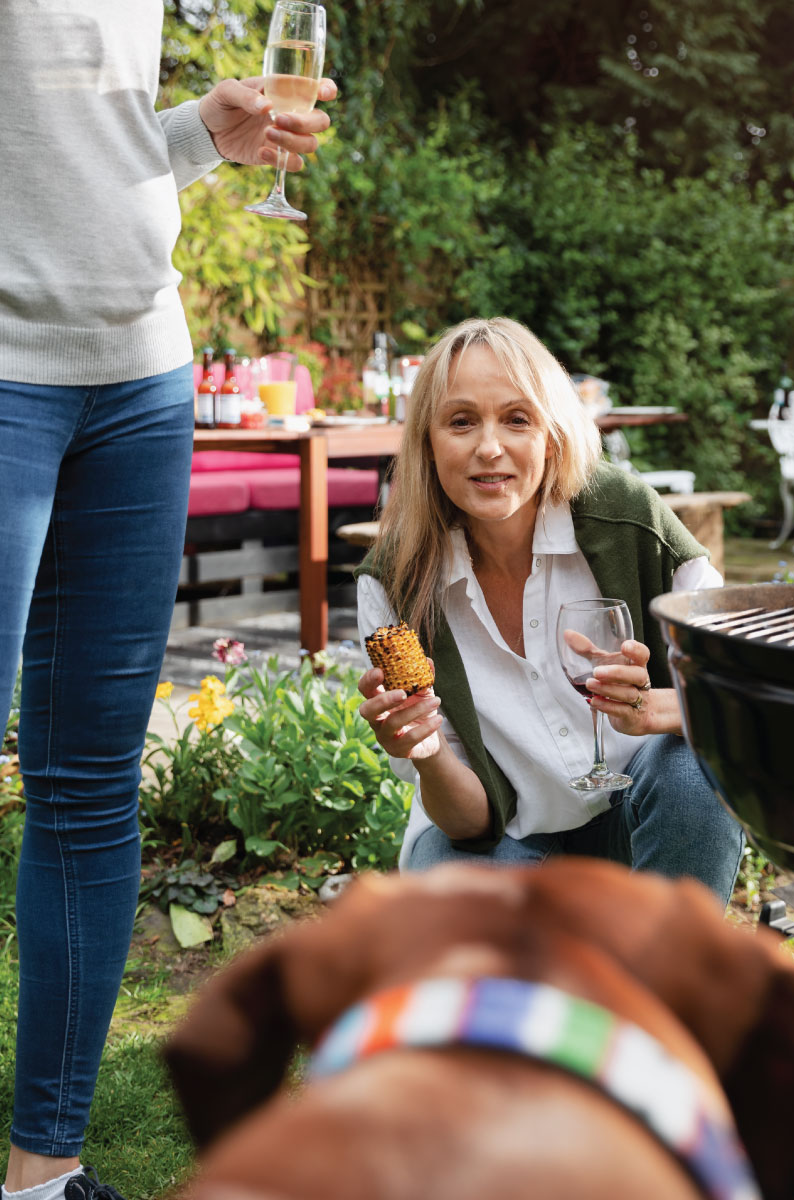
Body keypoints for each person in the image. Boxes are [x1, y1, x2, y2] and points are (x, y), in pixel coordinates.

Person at [0, 7, 336, 1200]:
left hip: (140, 368)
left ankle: (44, 1172)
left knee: (90, 786)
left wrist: (196, 133)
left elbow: (66, 139)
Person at [354, 317, 744, 898]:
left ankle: (669, 979)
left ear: (551, 434)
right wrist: (428, 751)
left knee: (693, 773)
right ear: (426, 442)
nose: (490, 448)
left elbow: (742, 684)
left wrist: (659, 706)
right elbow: (468, 824)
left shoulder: (625, 517)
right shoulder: (395, 583)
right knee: (453, 884)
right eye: (461, 422)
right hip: (505, 843)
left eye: (517, 419)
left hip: (639, 819)